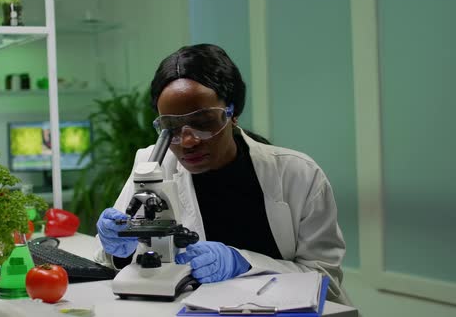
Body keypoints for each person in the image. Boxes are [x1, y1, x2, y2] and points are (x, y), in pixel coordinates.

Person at [94, 43, 351, 305]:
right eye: (171, 126)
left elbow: (324, 279)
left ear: (232, 114)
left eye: (203, 122)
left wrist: (243, 264)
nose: (188, 140)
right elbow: (111, 258)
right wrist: (117, 248)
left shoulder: (299, 174)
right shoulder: (153, 163)